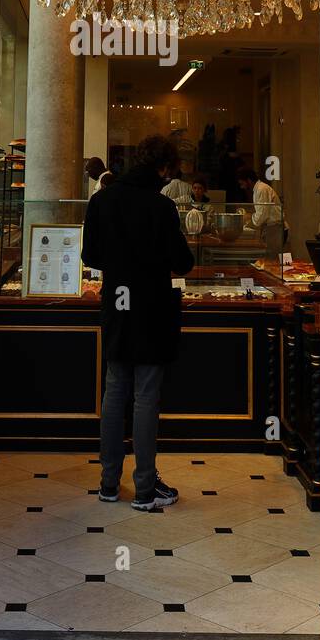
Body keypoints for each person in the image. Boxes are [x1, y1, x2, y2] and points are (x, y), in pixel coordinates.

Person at [82, 134, 194, 511]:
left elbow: (90, 254)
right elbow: (183, 262)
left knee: (114, 391)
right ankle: (145, 489)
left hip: (116, 302)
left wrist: (121, 261)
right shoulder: (161, 207)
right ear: (164, 167)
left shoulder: (102, 200)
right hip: (151, 306)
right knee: (146, 395)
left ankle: (108, 484)